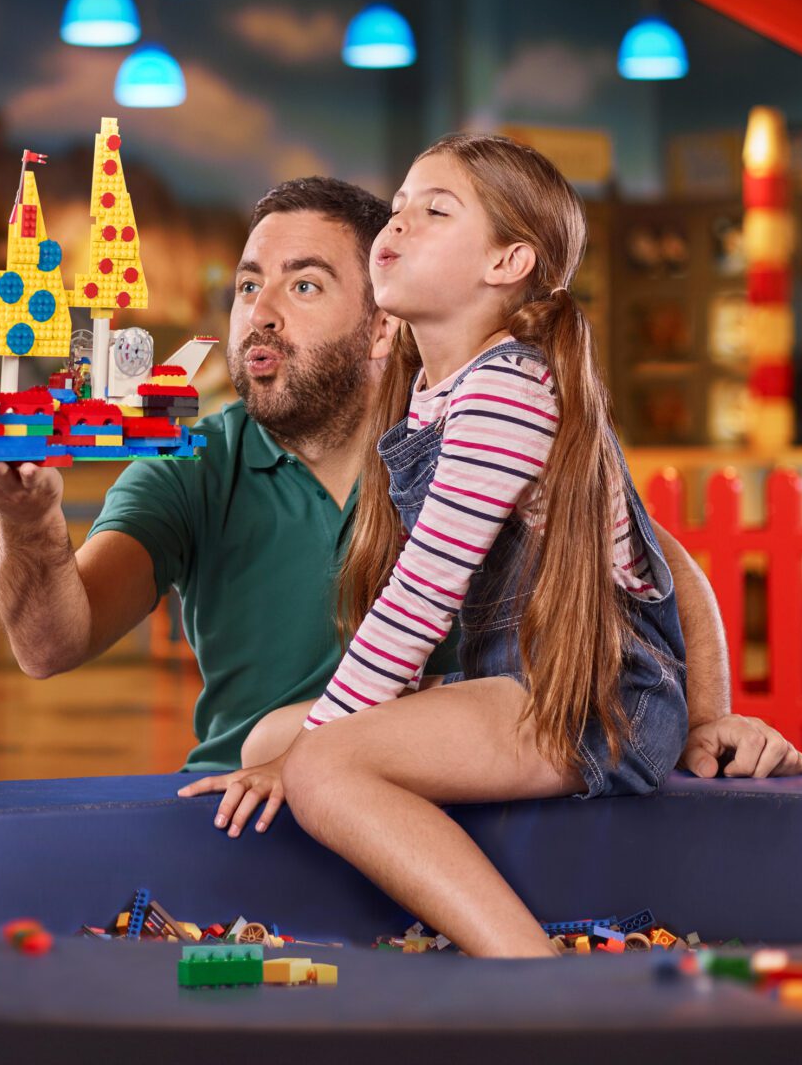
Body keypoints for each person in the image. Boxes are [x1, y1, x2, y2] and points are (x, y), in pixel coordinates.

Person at [0, 170, 802, 792]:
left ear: (384, 326)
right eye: (248, 285)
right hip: (241, 804)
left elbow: (657, 565)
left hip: (439, 804)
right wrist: (29, 524)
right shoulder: (192, 467)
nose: (258, 314)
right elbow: (51, 646)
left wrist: (704, 720)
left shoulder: (470, 436)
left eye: (303, 287)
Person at [179, 135, 696, 955]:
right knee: (267, 740)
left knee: (316, 766)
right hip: (509, 684)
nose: (400, 223)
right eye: (400, 205)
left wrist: (323, 753)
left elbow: (420, 599)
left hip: (594, 699)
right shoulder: (438, 390)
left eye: (435, 211)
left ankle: (527, 969)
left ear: (507, 262)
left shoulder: (508, 393)